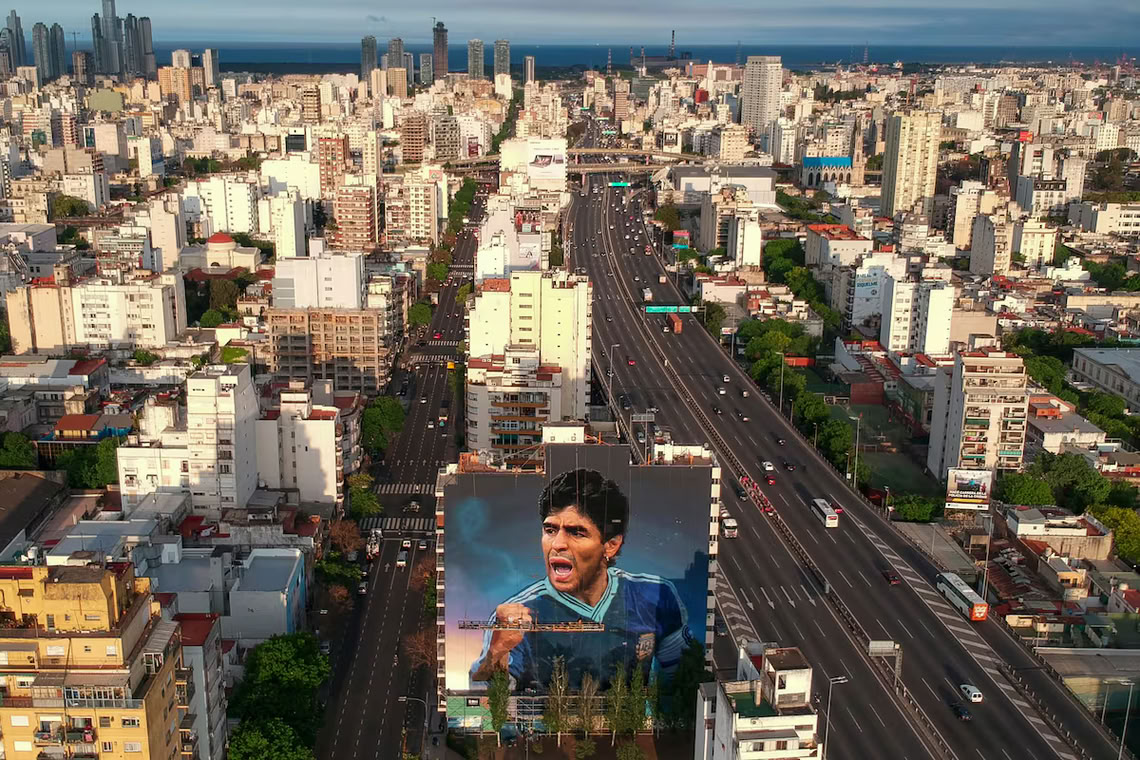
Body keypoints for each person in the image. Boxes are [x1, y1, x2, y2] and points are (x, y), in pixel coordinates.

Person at [469, 468, 695, 691]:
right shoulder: (519, 614)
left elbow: (682, 680)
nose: (557, 544)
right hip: (549, 726)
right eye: (550, 530)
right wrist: (496, 653)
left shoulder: (656, 596)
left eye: (576, 532)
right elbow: (485, 700)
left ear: (611, 545)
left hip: (631, 723)